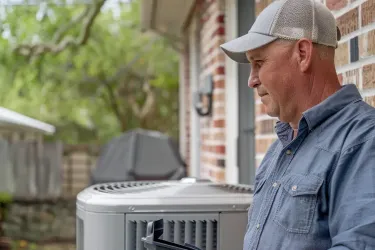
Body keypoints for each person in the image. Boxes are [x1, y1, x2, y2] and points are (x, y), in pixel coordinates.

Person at [220, 0, 375, 249]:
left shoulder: (364, 141)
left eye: (258, 62)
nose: (251, 80)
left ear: (302, 54)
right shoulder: (278, 150)